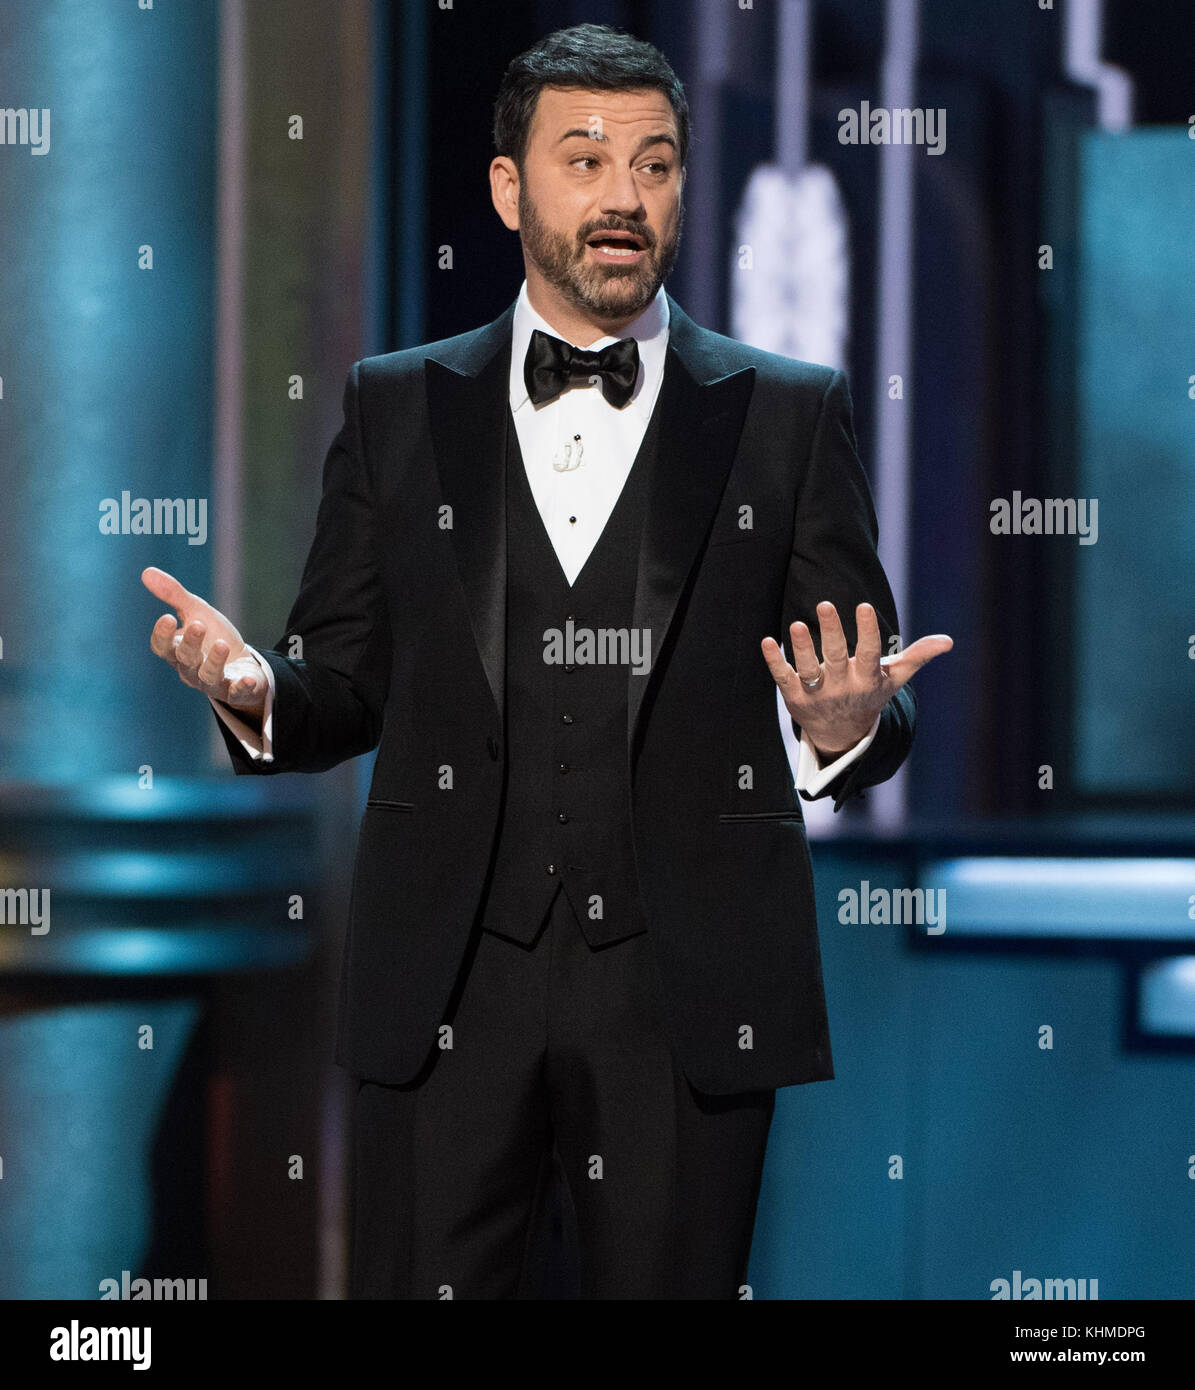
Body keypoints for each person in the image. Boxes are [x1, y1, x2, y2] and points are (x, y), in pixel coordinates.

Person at [143, 23, 951, 1299]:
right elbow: (340, 680)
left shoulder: (788, 415)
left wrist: (844, 726)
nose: (625, 196)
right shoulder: (395, 404)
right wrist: (258, 692)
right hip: (448, 986)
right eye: (585, 160)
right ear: (510, 189)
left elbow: (863, 688)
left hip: (686, 998)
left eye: (656, 163)